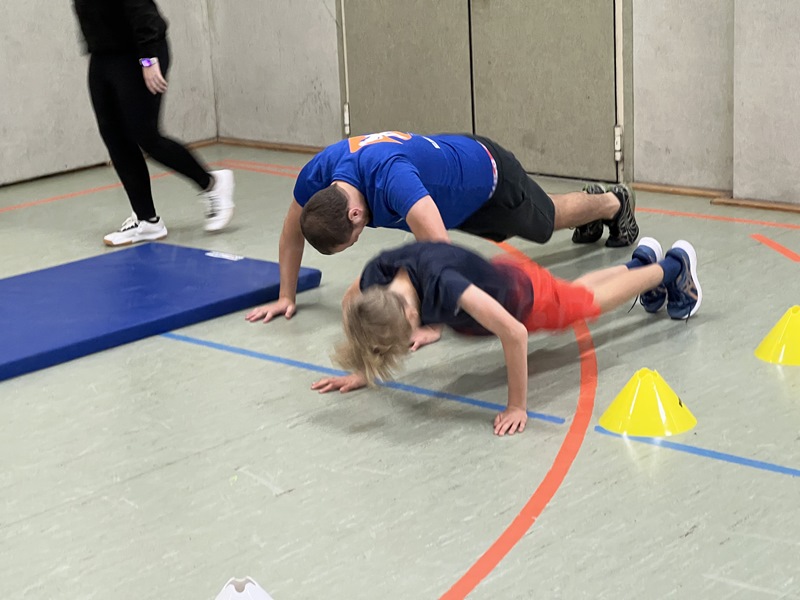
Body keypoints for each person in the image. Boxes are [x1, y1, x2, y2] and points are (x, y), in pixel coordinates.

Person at [310, 237, 702, 436]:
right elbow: (352, 306)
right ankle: (640, 264)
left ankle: (673, 268)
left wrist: (516, 406)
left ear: (413, 315)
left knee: (587, 303)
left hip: (523, 300)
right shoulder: (375, 279)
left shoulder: (446, 286)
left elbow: (515, 334)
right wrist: (362, 368)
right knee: (577, 291)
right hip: (493, 278)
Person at [245, 131, 638, 324]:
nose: (358, 240)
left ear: (354, 215)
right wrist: (286, 295)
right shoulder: (321, 173)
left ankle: (612, 202)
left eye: (353, 240)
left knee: (545, 221)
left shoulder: (392, 179)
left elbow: (440, 256)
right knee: (530, 222)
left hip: (488, 178)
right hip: (449, 197)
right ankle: (596, 206)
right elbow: (293, 231)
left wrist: (428, 321)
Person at [73, 0, 235, 246]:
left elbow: (143, 11)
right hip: (103, 54)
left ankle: (212, 183)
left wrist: (148, 59)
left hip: (139, 52)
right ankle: (147, 220)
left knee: (146, 135)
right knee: (115, 138)